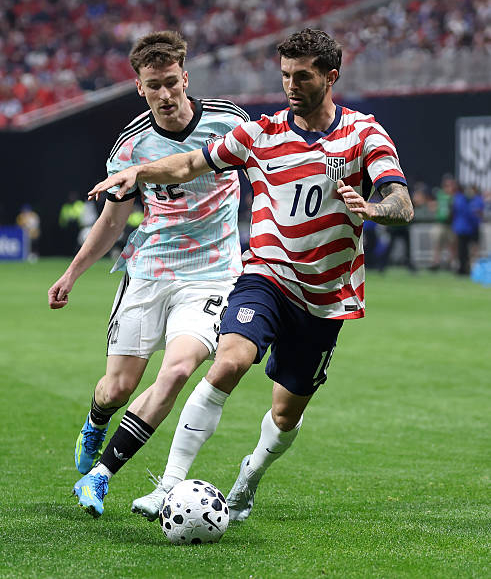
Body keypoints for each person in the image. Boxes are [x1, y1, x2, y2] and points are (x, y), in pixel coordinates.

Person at [87, 27, 414, 522]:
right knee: (229, 362)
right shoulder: (260, 134)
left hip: (326, 297)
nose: (291, 86)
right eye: (285, 75)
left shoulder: (364, 134)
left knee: (285, 413)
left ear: (331, 77)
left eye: (302, 77)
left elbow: (402, 204)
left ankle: (249, 478)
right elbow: (189, 164)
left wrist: (372, 208)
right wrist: (139, 172)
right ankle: (168, 486)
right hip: (265, 276)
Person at [48, 30, 249, 518]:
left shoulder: (230, 122)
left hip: (212, 274)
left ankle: (102, 474)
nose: (164, 94)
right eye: (153, 85)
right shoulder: (131, 145)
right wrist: (72, 275)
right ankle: (97, 421)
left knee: (177, 370)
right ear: (139, 87)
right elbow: (112, 221)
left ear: (186, 78)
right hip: (149, 270)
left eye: (171, 82)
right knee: (117, 388)